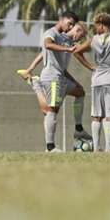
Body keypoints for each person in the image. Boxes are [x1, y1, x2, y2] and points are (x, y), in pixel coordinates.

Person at [73, 13, 110, 152]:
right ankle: (109, 148)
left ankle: (97, 148)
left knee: (97, 115)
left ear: (102, 25)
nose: (95, 29)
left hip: (97, 78)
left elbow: (76, 52)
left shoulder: (93, 40)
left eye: (96, 26)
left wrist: (90, 66)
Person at [38, 11, 80, 152]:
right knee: (52, 110)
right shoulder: (51, 33)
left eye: (73, 25)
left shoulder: (64, 37)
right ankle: (50, 147)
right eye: (70, 23)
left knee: (80, 92)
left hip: (60, 77)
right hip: (52, 77)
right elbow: (48, 44)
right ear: (62, 19)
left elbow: (61, 64)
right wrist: (67, 49)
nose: (71, 26)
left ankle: (79, 127)